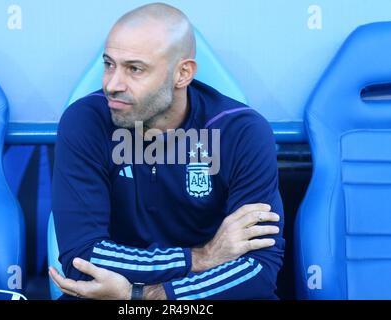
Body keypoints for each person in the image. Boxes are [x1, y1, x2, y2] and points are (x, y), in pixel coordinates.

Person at [49, 2, 284, 300]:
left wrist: (143, 297)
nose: (112, 84)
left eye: (135, 69)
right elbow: (82, 258)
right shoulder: (85, 120)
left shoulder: (241, 131)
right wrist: (200, 258)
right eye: (109, 64)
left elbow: (256, 271)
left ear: (182, 74)